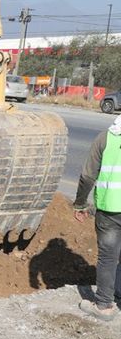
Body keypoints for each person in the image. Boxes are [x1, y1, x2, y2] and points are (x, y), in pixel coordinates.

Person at [73, 114, 121, 321]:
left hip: (111, 211)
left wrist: (81, 203)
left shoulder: (106, 138)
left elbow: (88, 176)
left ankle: (103, 304)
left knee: (108, 257)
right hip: (108, 210)